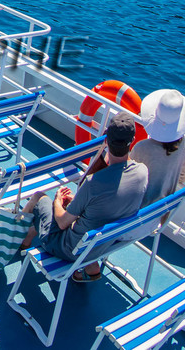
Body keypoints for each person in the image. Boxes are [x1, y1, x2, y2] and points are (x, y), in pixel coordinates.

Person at [21, 112, 148, 281]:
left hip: (71, 249)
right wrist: (78, 202)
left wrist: (58, 201)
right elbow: (108, 205)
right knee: (68, 208)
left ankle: (23, 239)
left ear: (106, 140)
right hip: (102, 245)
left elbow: (62, 222)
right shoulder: (143, 172)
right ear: (132, 141)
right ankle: (90, 265)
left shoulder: (93, 183)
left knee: (39, 197)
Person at [132, 88, 185, 205]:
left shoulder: (141, 148)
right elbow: (183, 177)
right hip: (160, 212)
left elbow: (127, 181)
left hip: (135, 211)